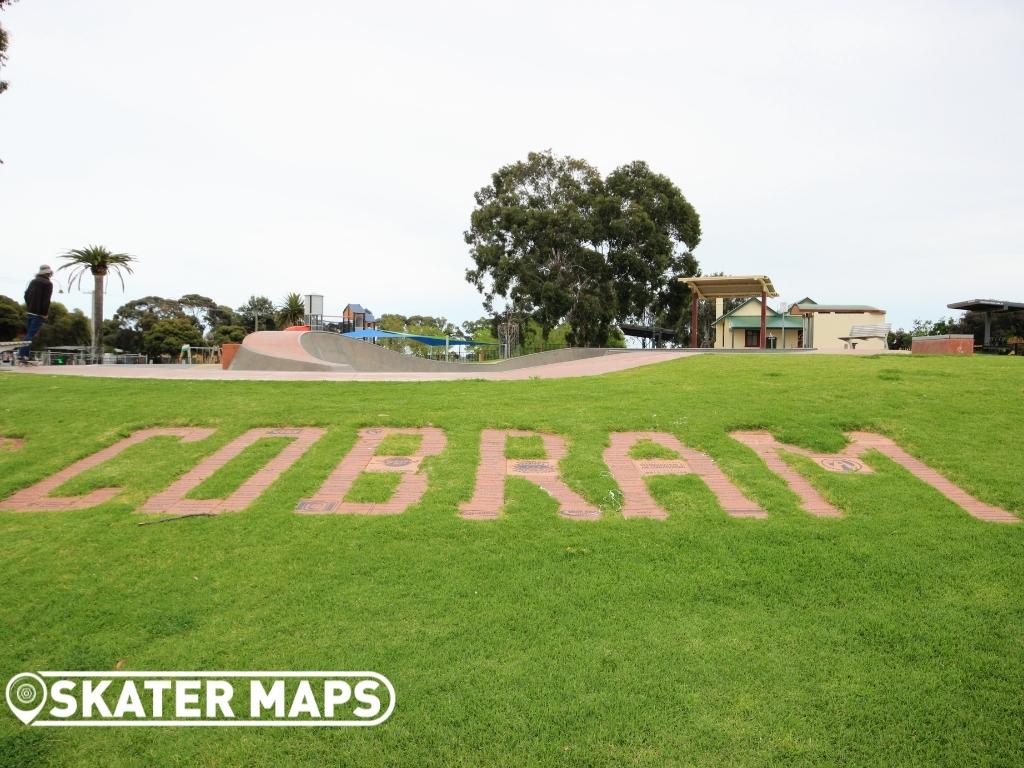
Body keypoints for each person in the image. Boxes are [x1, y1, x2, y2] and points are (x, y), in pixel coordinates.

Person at [19, 264, 54, 363]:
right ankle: (22, 354)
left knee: (29, 334)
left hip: (30, 311)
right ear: (48, 273)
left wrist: (29, 306)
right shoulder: (48, 284)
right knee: (30, 334)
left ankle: (25, 355)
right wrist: (44, 313)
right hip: (39, 314)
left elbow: (26, 295)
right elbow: (46, 300)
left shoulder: (33, 281)